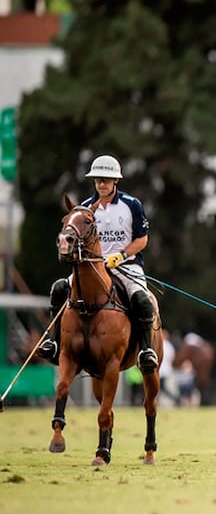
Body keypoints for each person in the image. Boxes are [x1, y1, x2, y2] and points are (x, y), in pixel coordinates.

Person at [37, 155, 159, 373]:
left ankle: (146, 350)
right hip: (93, 267)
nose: (101, 184)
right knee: (59, 288)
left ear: (116, 181)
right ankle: (53, 341)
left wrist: (120, 256)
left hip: (127, 265)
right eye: (98, 180)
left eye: (106, 179)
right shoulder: (84, 208)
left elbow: (142, 240)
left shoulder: (131, 205)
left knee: (141, 298)